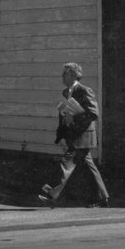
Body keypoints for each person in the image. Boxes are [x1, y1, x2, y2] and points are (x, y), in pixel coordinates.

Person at [38, 62, 110, 208]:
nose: (62, 76)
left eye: (65, 73)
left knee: (66, 163)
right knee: (89, 167)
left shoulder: (85, 90)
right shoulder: (66, 92)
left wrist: (74, 118)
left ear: (73, 75)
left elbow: (93, 113)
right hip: (74, 135)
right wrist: (61, 129)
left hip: (83, 135)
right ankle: (103, 198)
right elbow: (63, 112)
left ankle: (52, 194)